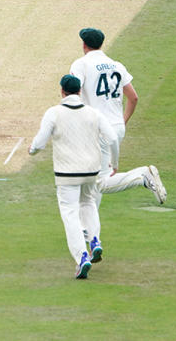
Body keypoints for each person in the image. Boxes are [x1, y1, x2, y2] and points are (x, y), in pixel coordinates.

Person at [69, 28, 168, 213]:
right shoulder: (116, 65)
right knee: (95, 176)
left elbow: (76, 91)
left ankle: (142, 176)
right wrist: (122, 122)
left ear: (84, 44)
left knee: (101, 183)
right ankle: (90, 228)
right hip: (116, 128)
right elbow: (133, 98)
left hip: (96, 129)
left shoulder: (81, 65)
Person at [28, 74, 115, 279]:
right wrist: (115, 162)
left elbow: (39, 143)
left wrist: (31, 150)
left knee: (70, 214)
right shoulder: (93, 113)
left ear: (62, 91)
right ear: (79, 92)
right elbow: (112, 137)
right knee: (88, 203)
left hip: (67, 173)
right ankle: (95, 241)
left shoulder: (54, 112)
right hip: (90, 171)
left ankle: (82, 257)